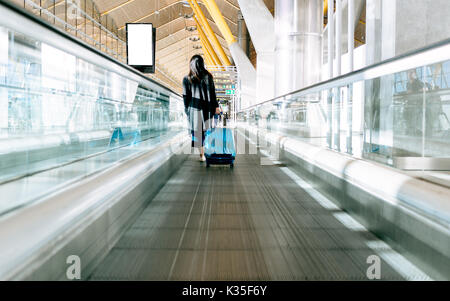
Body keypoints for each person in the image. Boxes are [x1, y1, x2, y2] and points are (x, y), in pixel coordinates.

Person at [183, 55, 220, 161]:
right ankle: (208, 150)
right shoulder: (208, 76)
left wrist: (187, 110)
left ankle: (202, 154)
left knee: (197, 132)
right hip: (207, 109)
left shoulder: (187, 79)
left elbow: (186, 97)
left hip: (194, 110)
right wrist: (216, 107)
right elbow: (213, 94)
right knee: (205, 130)